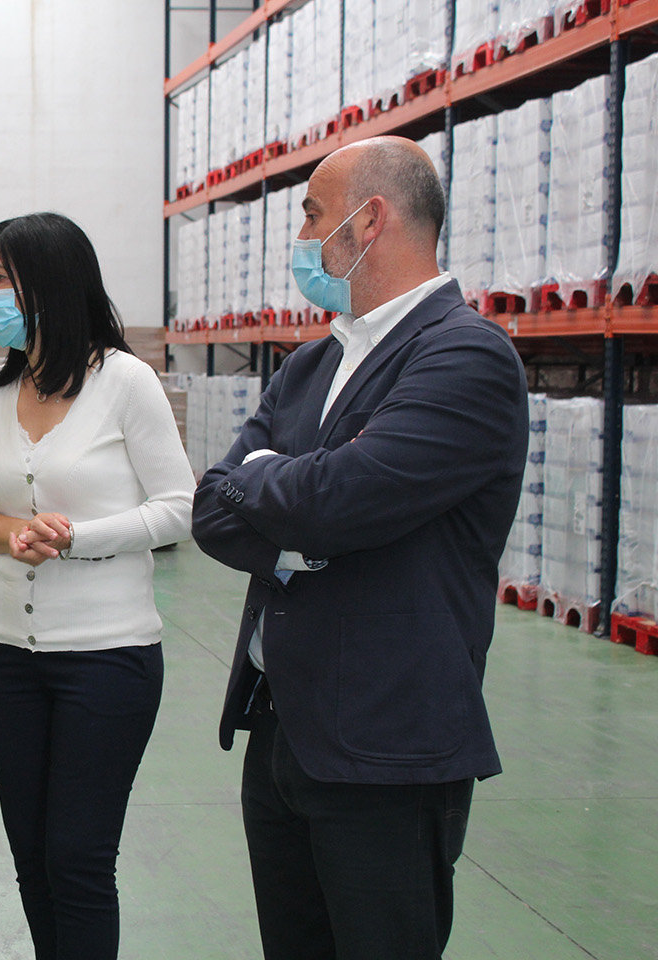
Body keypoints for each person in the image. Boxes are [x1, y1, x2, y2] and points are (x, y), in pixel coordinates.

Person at [191, 137, 528, 959]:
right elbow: (211, 508)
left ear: (370, 220)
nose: (302, 237)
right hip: (282, 728)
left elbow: (338, 500)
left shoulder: (465, 356)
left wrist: (278, 488)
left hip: (386, 747)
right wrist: (295, 522)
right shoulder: (312, 365)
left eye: (313, 215)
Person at [0, 212, 194, 960]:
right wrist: (11, 532)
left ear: (48, 282)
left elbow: (179, 507)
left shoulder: (125, 383)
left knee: (78, 859)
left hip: (107, 659)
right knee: (32, 857)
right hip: (5, 657)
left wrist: (77, 539)